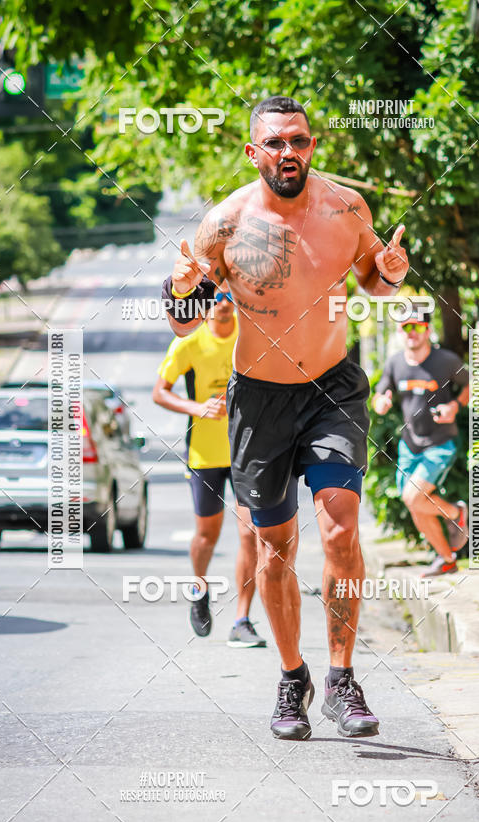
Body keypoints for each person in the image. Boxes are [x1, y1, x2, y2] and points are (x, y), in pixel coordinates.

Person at [163, 95, 409, 741]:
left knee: (340, 528)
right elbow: (183, 321)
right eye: (274, 142)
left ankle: (343, 679)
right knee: (275, 548)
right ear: (254, 152)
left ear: (312, 145)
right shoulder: (225, 224)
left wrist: (389, 276)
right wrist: (182, 288)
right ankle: (292, 676)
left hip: (332, 390)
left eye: (298, 140)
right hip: (259, 400)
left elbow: (371, 281)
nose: (288, 152)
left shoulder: (347, 209)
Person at [152, 285, 266, 648]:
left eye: (230, 297)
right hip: (204, 455)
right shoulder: (190, 342)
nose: (223, 304)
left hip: (246, 452)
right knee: (207, 535)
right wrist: (197, 408)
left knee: (250, 533)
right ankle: (199, 590)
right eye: (216, 298)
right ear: (205, 304)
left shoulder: (250, 336)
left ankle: (242, 619)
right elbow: (160, 391)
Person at [372, 305, 470, 576]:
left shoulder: (445, 361)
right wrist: (380, 403)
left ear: (427, 330)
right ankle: (447, 559)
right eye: (406, 327)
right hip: (410, 446)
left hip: (440, 444)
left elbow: (472, 384)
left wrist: (454, 407)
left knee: (412, 497)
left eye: (416, 326)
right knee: (416, 505)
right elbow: (380, 394)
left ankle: (457, 514)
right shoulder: (395, 363)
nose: (411, 332)